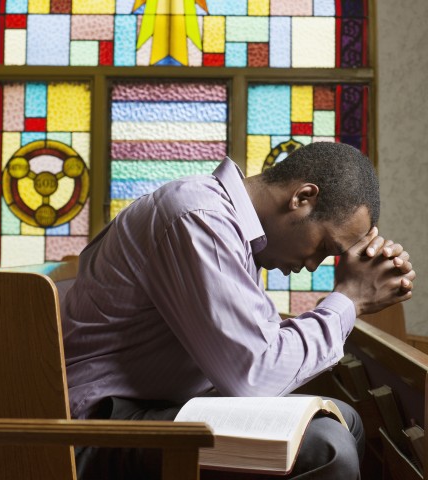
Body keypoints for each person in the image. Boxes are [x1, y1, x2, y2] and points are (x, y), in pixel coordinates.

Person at [61, 142, 415, 480]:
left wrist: (356, 285)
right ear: (303, 198)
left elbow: (264, 349)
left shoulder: (237, 235)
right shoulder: (200, 218)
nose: (313, 264)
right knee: (326, 447)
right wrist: (349, 300)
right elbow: (255, 375)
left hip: (158, 405)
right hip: (98, 426)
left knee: (345, 420)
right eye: (324, 246)